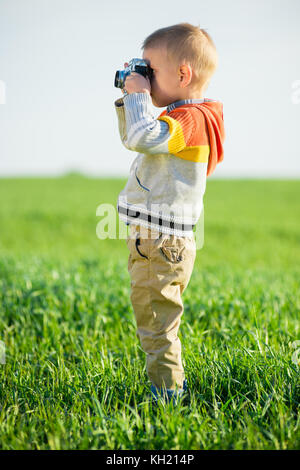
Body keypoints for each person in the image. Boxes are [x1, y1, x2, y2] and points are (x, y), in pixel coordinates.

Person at [114, 23, 225, 404]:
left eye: (150, 70)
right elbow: (136, 138)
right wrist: (131, 98)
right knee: (161, 320)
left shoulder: (189, 120)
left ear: (183, 74)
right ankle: (170, 387)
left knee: (157, 325)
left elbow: (141, 137)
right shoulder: (189, 118)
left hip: (158, 242)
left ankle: (168, 398)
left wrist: (137, 97)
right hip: (168, 241)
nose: (145, 77)